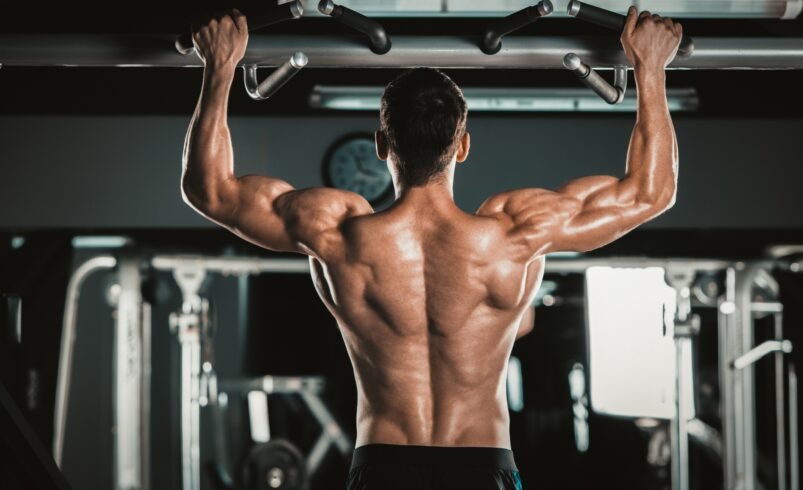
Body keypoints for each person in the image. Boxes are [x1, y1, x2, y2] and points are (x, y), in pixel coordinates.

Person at [181, 7, 681, 489]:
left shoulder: (338, 233)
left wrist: (220, 66)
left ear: (382, 144)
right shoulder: (514, 235)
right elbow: (649, 193)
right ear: (462, 145)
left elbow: (210, 190)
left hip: (382, 464)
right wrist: (650, 68)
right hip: (482, 463)